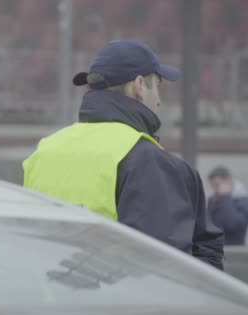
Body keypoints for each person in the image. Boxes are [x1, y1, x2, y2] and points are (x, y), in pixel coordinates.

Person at [23, 40, 224, 270]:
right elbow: (163, 273)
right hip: (116, 304)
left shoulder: (45, 150)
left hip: (48, 301)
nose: (158, 100)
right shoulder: (149, 161)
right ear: (139, 86)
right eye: (157, 86)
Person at [208, 166, 248, 245]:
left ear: (228, 180)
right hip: (215, 249)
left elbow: (231, 225)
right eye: (213, 186)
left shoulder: (243, 200)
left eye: (217, 185)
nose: (215, 189)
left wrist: (225, 197)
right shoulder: (213, 200)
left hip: (234, 250)